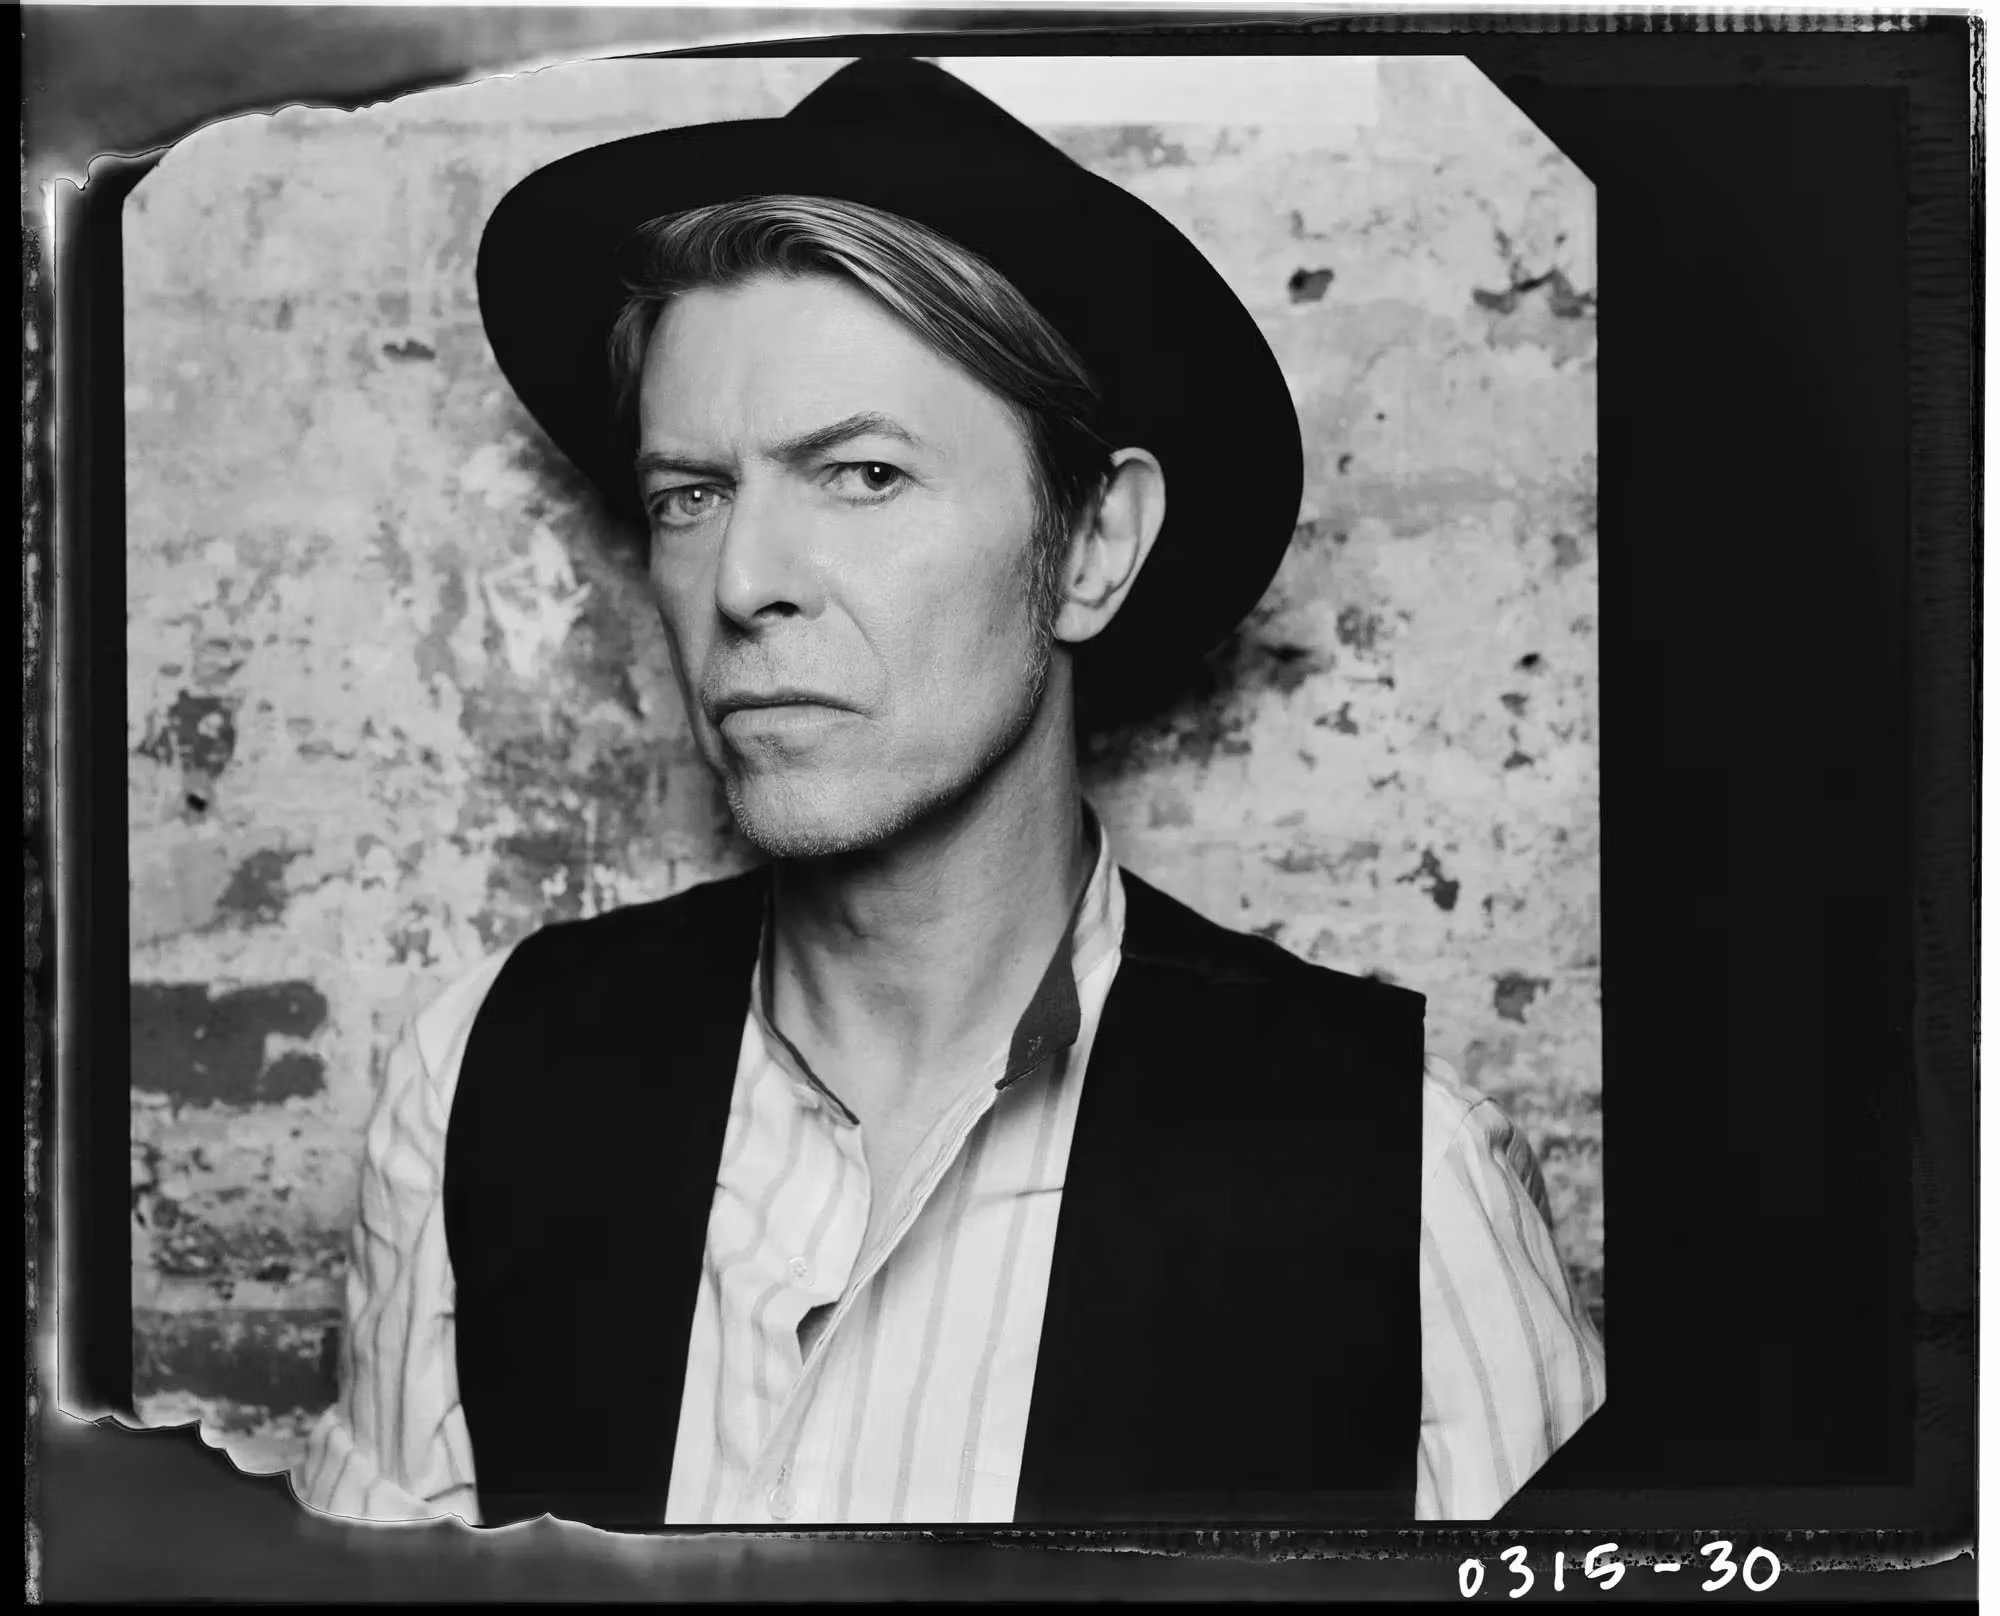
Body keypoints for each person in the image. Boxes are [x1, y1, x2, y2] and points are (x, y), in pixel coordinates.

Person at [295, 55, 1602, 1530]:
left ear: (1094, 545)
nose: (744, 583)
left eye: (859, 475)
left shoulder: (1400, 1176)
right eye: (689, 496)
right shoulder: (484, 1078)